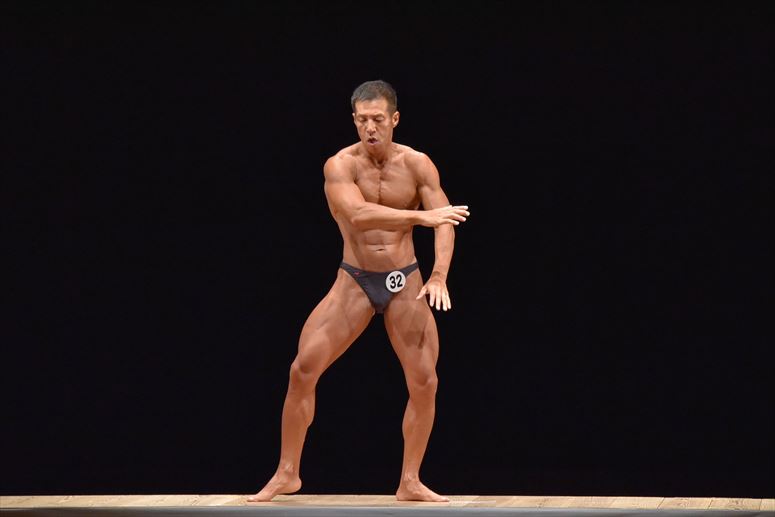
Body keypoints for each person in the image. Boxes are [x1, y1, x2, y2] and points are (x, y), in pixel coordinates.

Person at [248, 80, 469, 503]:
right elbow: (358, 214)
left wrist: (439, 274)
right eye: (362, 120)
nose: (370, 128)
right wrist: (419, 218)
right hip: (355, 278)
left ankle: (410, 481)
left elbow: (444, 220)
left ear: (394, 119)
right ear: (353, 120)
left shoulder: (418, 164)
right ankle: (287, 472)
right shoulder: (340, 165)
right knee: (302, 370)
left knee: (425, 381)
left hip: (404, 279)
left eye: (378, 119)